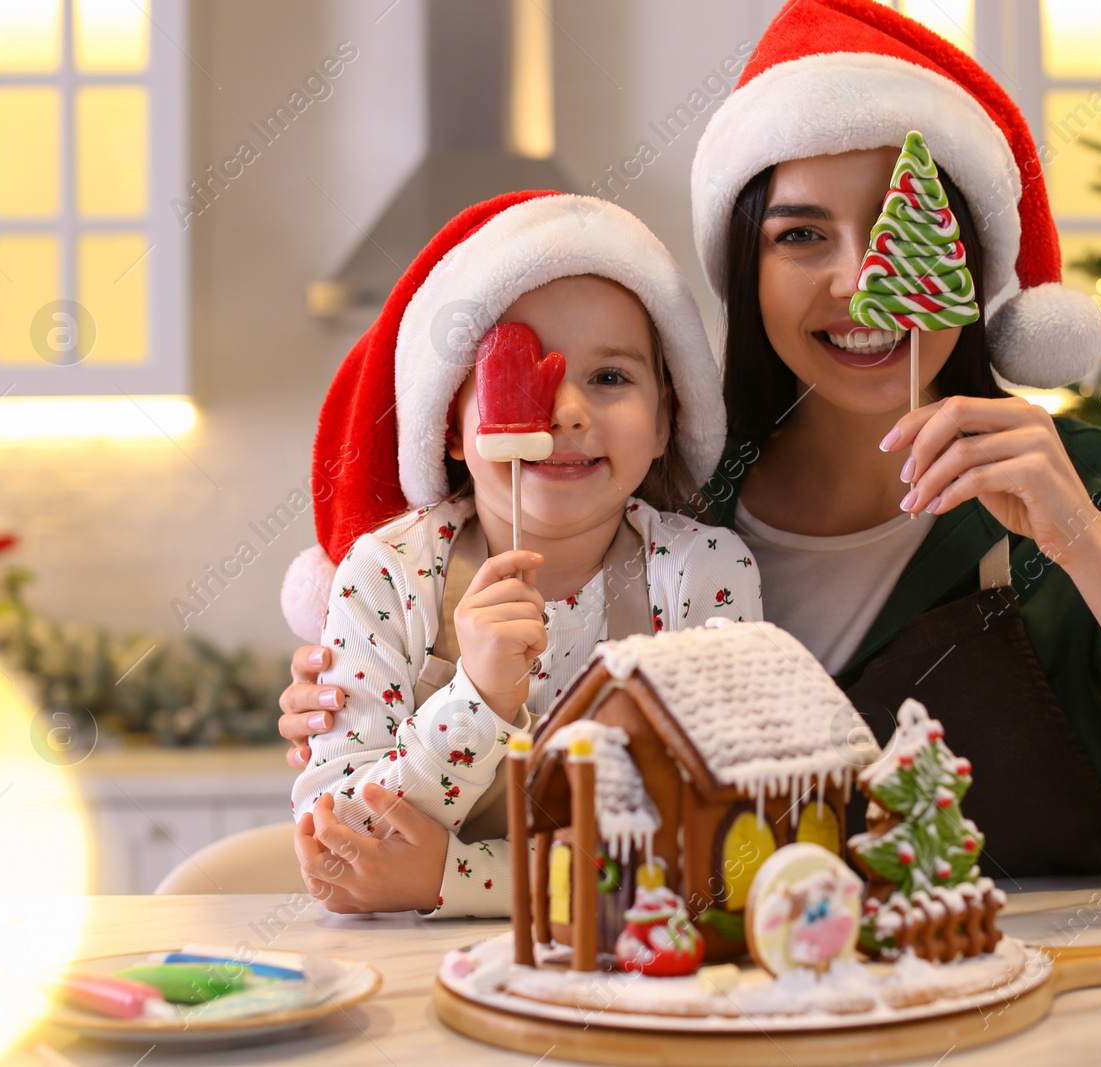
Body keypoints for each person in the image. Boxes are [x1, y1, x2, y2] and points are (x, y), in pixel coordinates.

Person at [281, 0, 1101, 912]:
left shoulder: (1093, 491)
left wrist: (1081, 541)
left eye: (904, 228)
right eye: (801, 233)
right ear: (741, 268)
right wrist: (390, 684)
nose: (860, 280)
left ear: (972, 261)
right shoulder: (662, 511)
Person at [283, 191, 761, 916]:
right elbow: (338, 841)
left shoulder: (703, 577)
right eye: (519, 374)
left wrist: (457, 878)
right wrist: (477, 699)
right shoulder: (390, 576)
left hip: (639, 985)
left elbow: (726, 848)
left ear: (665, 419)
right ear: (451, 423)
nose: (567, 410)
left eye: (610, 377)